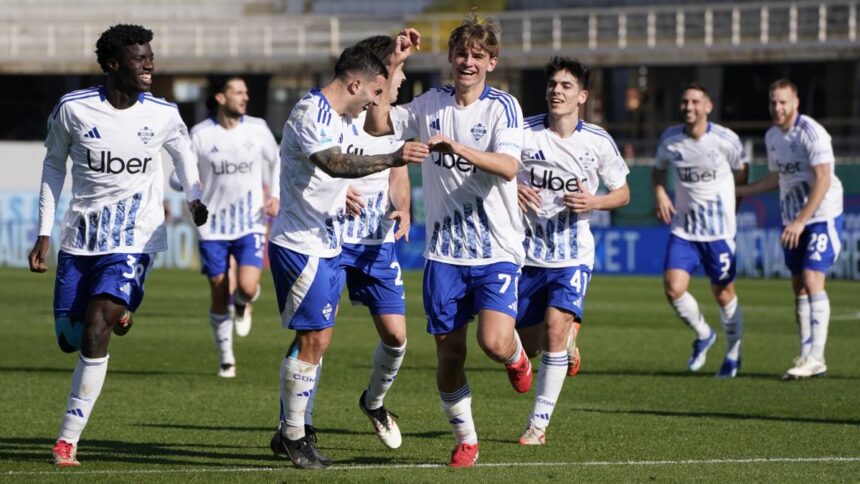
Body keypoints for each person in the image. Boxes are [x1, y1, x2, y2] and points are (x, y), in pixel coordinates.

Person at [27, 24, 208, 467]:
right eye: (139, 58)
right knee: (70, 340)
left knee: (96, 328)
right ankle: (121, 309)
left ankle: (67, 439)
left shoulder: (163, 113)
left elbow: (184, 155)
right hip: (79, 238)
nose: (150, 64)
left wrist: (195, 196)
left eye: (151, 56)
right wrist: (45, 232)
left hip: (134, 237)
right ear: (112, 64)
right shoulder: (73, 109)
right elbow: (53, 167)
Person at [365, 14, 530, 468]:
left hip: (496, 246)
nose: (467, 62)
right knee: (449, 352)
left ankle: (517, 356)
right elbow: (378, 125)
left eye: (478, 56)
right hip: (445, 253)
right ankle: (466, 438)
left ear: (492, 61)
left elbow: (509, 167)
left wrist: (458, 149)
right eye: (461, 54)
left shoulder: (503, 107)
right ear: (450, 58)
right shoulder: (429, 103)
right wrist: (393, 63)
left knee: (494, 343)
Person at [267, 45, 427, 470]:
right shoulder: (310, 113)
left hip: (325, 241)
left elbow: (331, 170)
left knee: (316, 339)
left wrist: (342, 194)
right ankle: (293, 435)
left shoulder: (340, 116)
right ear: (355, 84)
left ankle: (295, 430)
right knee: (313, 340)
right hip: (301, 244)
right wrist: (393, 158)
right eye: (371, 93)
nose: (374, 102)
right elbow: (334, 162)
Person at [514, 57, 630, 445]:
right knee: (528, 346)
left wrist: (594, 202)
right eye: (553, 84)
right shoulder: (524, 133)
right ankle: (565, 346)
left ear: (582, 96)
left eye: (566, 85)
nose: (557, 90)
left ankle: (538, 425)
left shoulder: (597, 141)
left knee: (555, 329)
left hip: (573, 255)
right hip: (526, 255)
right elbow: (495, 170)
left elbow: (623, 193)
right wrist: (513, 187)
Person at [736, 79, 844, 380]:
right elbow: (776, 178)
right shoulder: (772, 136)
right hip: (792, 218)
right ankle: (806, 353)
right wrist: (741, 191)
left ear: (795, 103)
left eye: (783, 102)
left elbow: (823, 180)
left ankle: (817, 357)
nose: (777, 107)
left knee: (812, 278)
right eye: (773, 102)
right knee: (798, 285)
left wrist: (801, 221)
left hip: (821, 215)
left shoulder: (811, 133)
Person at [177, 76, 280, 378]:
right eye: (237, 92)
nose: (244, 97)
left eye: (246, 92)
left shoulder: (258, 129)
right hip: (212, 226)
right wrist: (193, 187)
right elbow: (180, 174)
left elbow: (276, 162)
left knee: (247, 287)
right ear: (221, 98)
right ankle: (227, 359)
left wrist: (274, 195)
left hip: (251, 220)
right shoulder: (200, 135)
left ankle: (244, 303)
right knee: (220, 290)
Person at [652, 83, 749, 378]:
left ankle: (733, 354)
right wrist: (660, 193)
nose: (689, 107)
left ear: (708, 106)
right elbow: (659, 168)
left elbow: (742, 171)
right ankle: (704, 333)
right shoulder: (670, 139)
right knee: (673, 287)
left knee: (723, 293)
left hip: (719, 232)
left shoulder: (726, 140)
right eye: (685, 102)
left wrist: (733, 207)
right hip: (684, 230)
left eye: (695, 102)